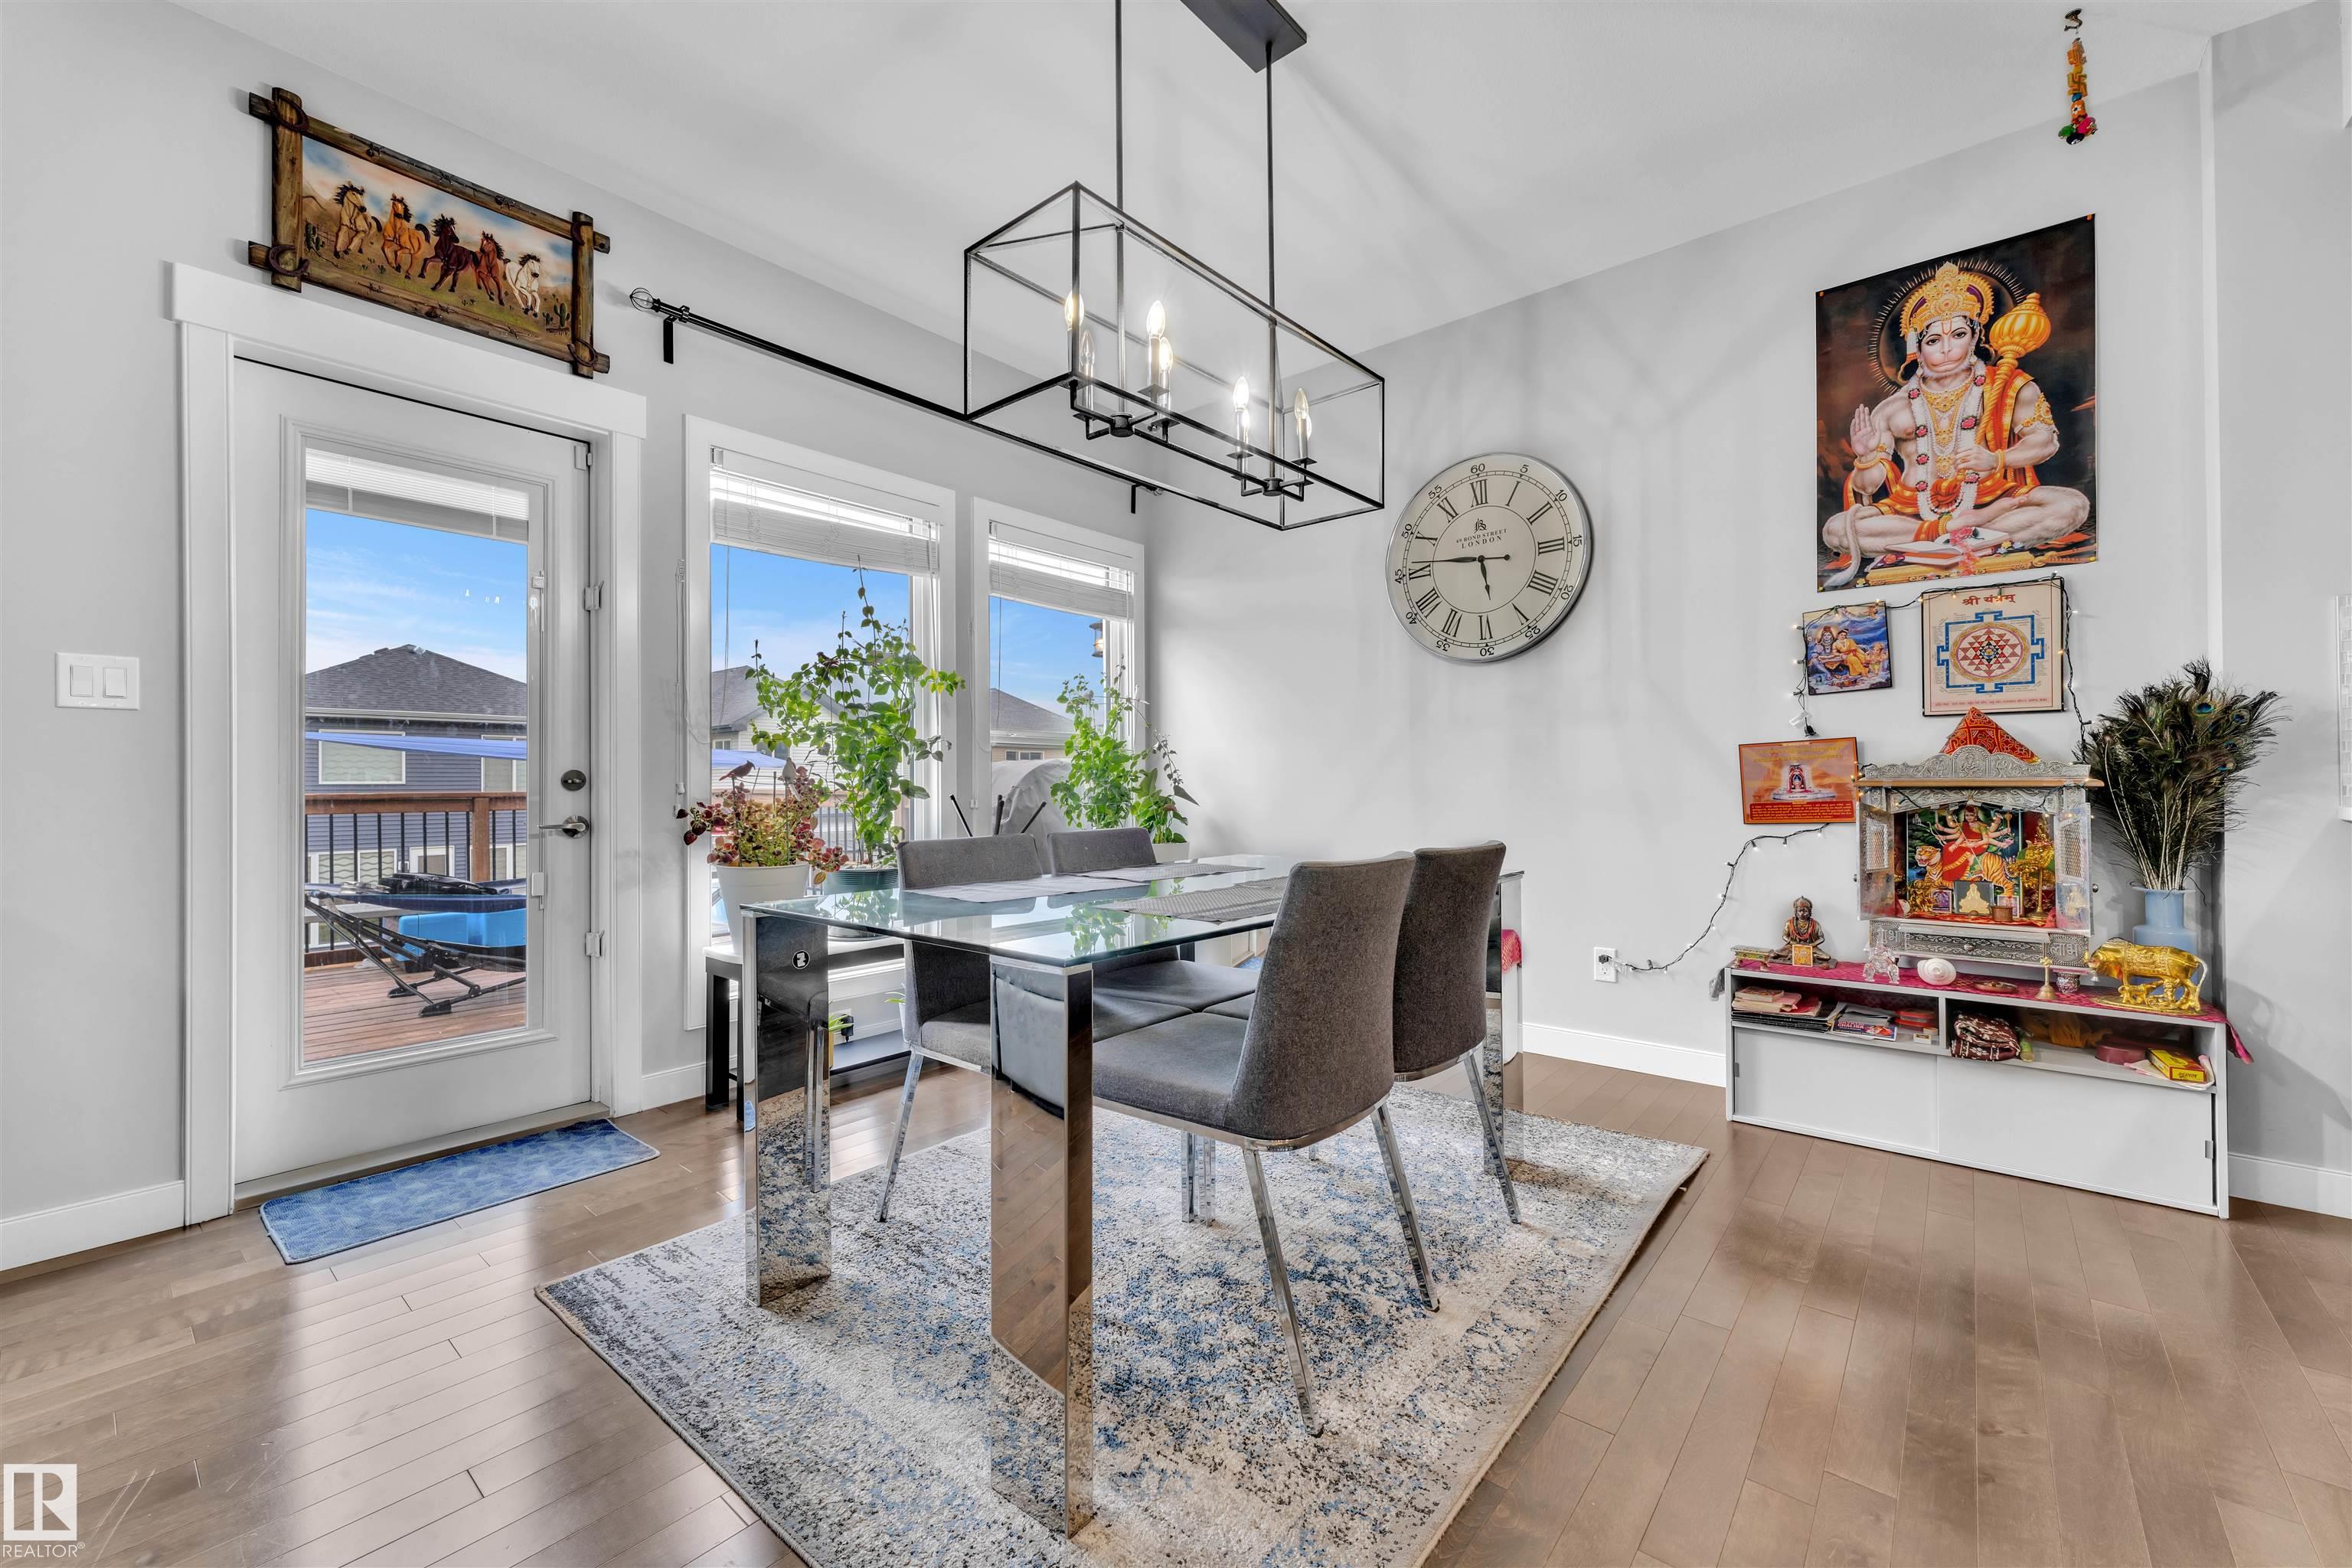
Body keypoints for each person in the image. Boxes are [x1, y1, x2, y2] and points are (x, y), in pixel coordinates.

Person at [1824, 263, 2088, 580]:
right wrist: (1866, 457)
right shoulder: (1892, 408)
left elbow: (2045, 441)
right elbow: (1868, 486)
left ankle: (1942, 541)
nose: (1947, 349)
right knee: (1836, 529)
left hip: (1992, 501)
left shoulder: (2009, 386)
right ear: (1917, 349)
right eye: (1934, 340)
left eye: (1959, 335)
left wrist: (1997, 459)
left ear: (1975, 337)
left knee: (2071, 505)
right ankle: (1959, 535)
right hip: (1911, 511)